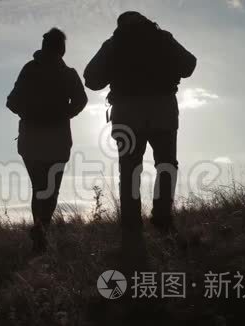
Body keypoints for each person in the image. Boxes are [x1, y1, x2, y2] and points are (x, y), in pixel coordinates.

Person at [84, 12, 196, 243]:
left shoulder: (114, 44)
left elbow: (91, 79)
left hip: (127, 114)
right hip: (162, 110)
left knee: (129, 169)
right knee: (166, 165)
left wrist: (116, 70)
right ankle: (162, 218)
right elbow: (189, 65)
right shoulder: (163, 38)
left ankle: (131, 224)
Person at [7, 28, 88, 253]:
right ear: (62, 49)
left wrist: (31, 114)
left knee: (39, 188)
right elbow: (81, 100)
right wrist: (63, 115)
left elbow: (12, 102)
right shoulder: (68, 73)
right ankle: (42, 231)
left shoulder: (29, 70)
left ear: (43, 46)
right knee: (50, 190)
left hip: (31, 139)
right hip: (58, 140)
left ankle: (40, 232)